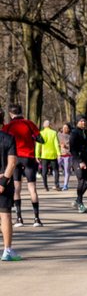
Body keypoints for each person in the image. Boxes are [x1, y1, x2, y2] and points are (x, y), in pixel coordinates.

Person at [2, 104, 44, 227]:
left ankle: (19, 218)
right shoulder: (29, 124)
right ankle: (36, 219)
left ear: (10, 114)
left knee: (17, 188)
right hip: (29, 158)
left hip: (15, 158)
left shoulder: (8, 127)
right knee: (32, 188)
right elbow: (41, 139)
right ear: (21, 112)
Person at [0, 110, 21, 260]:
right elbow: (12, 162)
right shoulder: (8, 138)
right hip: (4, 181)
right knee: (5, 215)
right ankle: (7, 250)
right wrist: (3, 181)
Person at [69, 118, 87, 213]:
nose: (83, 122)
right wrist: (80, 161)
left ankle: (77, 200)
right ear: (77, 122)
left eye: (84, 121)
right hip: (77, 159)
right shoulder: (74, 133)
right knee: (81, 180)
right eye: (81, 121)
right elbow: (72, 149)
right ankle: (80, 203)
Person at [35, 120, 60, 192]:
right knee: (56, 170)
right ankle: (56, 184)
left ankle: (45, 186)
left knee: (44, 171)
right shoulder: (54, 133)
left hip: (44, 155)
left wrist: (37, 155)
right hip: (53, 154)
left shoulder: (40, 133)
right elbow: (56, 144)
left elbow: (38, 146)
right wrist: (58, 153)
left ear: (43, 125)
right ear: (50, 125)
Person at [57, 123, 72, 191]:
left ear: (69, 129)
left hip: (68, 155)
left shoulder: (71, 136)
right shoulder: (58, 135)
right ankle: (57, 184)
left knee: (67, 171)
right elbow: (55, 143)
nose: (65, 129)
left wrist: (66, 146)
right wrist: (59, 145)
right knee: (55, 169)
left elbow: (73, 146)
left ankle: (65, 185)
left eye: (66, 128)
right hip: (59, 155)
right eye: (64, 127)